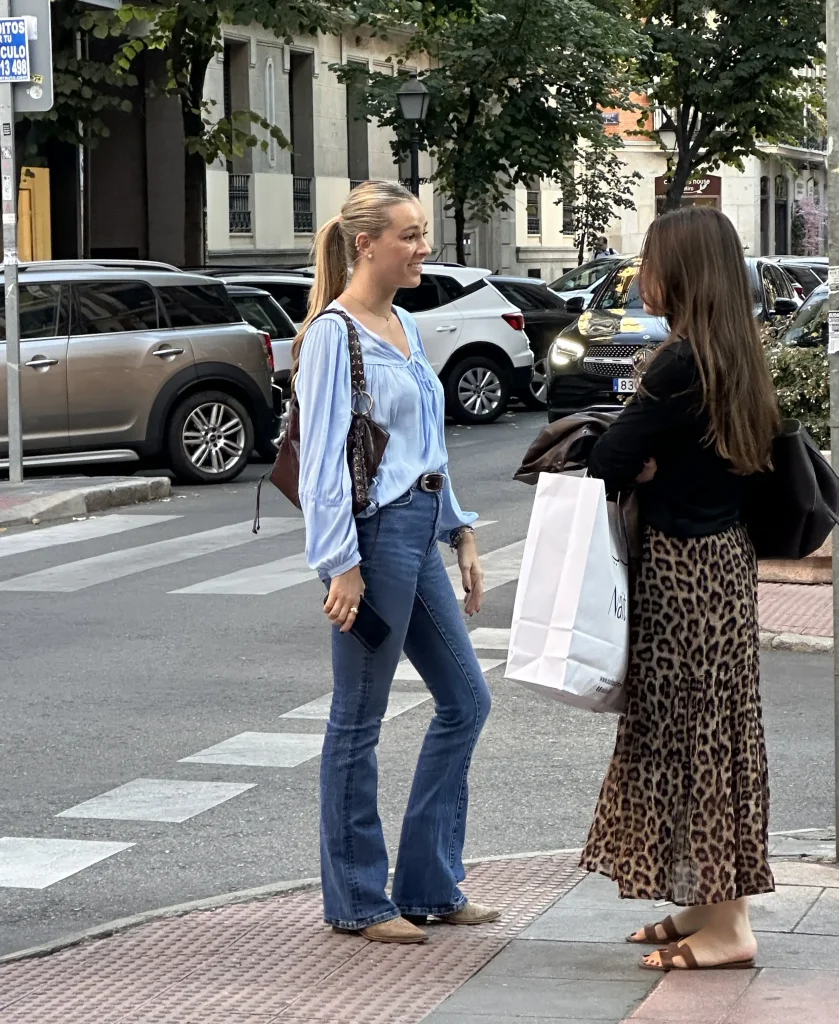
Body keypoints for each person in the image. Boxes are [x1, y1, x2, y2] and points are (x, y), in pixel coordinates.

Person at [293, 180, 498, 946]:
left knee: (467, 701)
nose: (423, 247)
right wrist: (340, 563)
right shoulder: (332, 336)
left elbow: (426, 449)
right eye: (409, 235)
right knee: (358, 720)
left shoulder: (405, 324)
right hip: (372, 542)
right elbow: (320, 465)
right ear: (365, 243)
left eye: (424, 232)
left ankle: (430, 884)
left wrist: (461, 530)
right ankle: (357, 899)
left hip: (419, 526)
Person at [579, 206, 780, 972]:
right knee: (717, 738)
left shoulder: (677, 363)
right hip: (724, 566)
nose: (641, 271)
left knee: (692, 743)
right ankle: (703, 906)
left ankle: (729, 930)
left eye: (650, 257)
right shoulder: (736, 353)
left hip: (682, 574)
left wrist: (631, 450)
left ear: (682, 273)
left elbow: (608, 458)